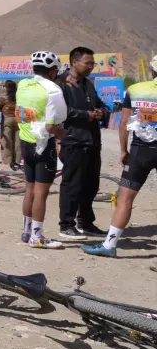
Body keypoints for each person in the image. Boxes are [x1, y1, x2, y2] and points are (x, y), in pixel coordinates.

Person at [82, 54, 157, 258]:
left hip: (141, 151)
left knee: (125, 199)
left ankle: (110, 244)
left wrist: (124, 151)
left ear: (152, 70)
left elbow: (124, 123)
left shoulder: (135, 90)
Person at [56, 47, 110, 241]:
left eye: (92, 63)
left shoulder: (88, 84)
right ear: (74, 62)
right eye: (87, 63)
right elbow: (60, 112)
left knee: (91, 184)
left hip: (92, 141)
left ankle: (86, 223)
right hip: (73, 141)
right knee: (72, 185)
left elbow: (100, 104)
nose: (91, 67)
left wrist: (102, 112)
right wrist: (85, 115)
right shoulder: (61, 84)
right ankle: (66, 225)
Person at [16, 50, 68, 249]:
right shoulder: (53, 90)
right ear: (53, 70)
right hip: (44, 146)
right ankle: (37, 237)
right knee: (41, 193)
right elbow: (51, 126)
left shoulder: (23, 85)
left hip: (25, 142)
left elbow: (23, 114)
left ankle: (26, 232)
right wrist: (63, 134)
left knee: (29, 190)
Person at [0, 80, 21, 170]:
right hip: (18, 120)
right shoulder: (19, 96)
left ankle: (8, 161)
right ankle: (17, 161)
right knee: (17, 142)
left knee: (7, 141)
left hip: (7, 120)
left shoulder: (4, 98)